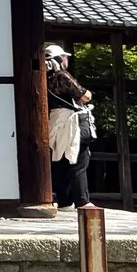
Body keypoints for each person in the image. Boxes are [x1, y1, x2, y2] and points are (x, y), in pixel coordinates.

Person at [45, 43, 93, 211]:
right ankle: (82, 201)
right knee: (79, 159)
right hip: (71, 121)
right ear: (59, 59)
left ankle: (65, 200)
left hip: (54, 121)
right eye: (64, 57)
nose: (66, 60)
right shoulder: (61, 76)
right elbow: (84, 95)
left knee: (59, 159)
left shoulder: (42, 78)